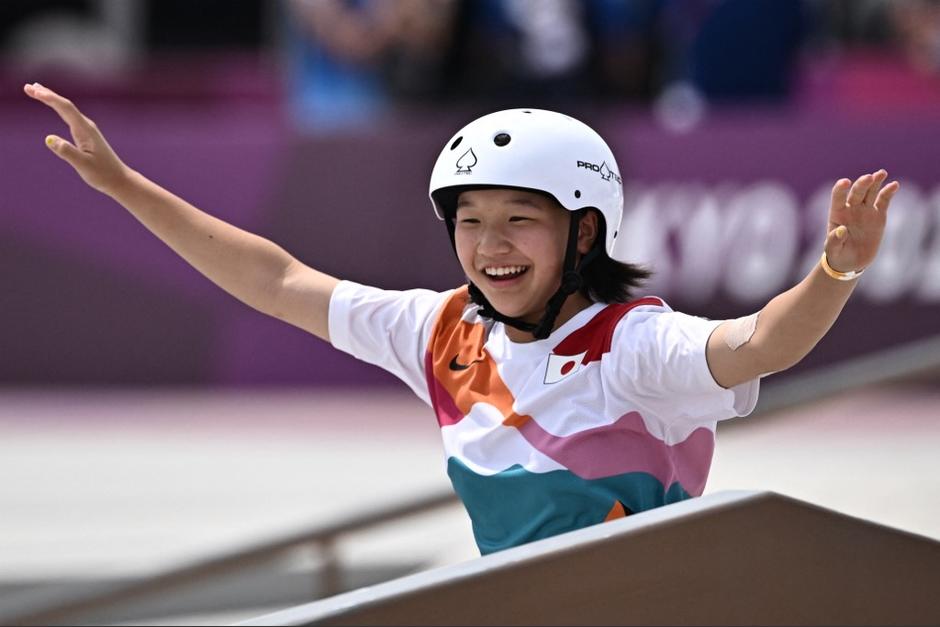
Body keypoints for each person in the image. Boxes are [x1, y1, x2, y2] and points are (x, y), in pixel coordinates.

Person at [23, 82, 899, 555]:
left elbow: (761, 342)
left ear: (585, 230)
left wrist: (836, 268)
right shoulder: (441, 330)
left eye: (520, 218)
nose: (490, 246)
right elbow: (278, 278)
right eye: (470, 220)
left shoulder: (633, 345)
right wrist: (123, 185)